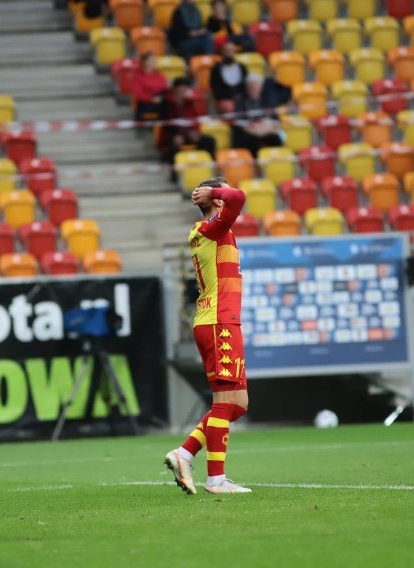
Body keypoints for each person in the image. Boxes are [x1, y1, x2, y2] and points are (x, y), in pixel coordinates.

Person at [164, 176, 251, 494]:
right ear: (216, 200)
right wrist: (217, 191)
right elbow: (239, 197)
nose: (225, 195)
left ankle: (184, 453)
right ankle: (216, 479)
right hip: (219, 323)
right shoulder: (213, 229)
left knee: (237, 403)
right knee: (224, 401)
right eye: (220, 192)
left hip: (219, 321)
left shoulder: (210, 232)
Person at [159, 77, 216, 166]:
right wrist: (175, 135)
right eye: (181, 88)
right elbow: (165, 124)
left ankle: (209, 166)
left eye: (185, 88)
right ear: (176, 89)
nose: (183, 90)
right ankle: (174, 172)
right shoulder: (166, 103)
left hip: (189, 133)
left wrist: (194, 132)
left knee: (209, 141)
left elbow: (194, 119)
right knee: (174, 144)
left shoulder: (189, 102)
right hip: (172, 134)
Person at [232, 74, 283, 157]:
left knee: (276, 138)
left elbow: (275, 119)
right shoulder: (241, 101)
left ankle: (276, 162)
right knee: (253, 142)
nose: (253, 89)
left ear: (260, 87)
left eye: (256, 87)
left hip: (264, 130)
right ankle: (256, 166)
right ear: (247, 87)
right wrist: (254, 130)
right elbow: (239, 123)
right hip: (249, 132)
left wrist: (268, 127)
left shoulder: (266, 100)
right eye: (251, 87)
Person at [209, 41, 247, 114]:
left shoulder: (242, 67)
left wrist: (239, 95)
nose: (229, 53)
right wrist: (229, 96)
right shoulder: (216, 69)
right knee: (228, 107)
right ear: (222, 52)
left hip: (241, 97)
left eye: (231, 51)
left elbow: (244, 84)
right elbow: (215, 87)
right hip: (224, 98)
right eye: (226, 51)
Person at [132, 52, 168, 121]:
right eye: (152, 61)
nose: (155, 62)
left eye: (155, 60)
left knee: (169, 105)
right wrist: (151, 99)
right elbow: (139, 94)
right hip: (146, 102)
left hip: (161, 99)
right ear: (145, 63)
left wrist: (160, 97)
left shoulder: (159, 74)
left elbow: (165, 86)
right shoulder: (139, 76)